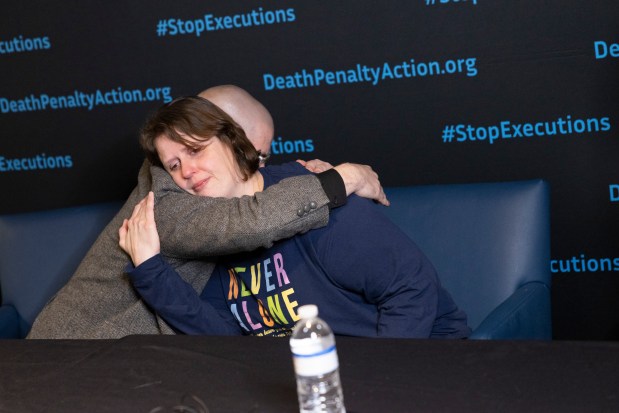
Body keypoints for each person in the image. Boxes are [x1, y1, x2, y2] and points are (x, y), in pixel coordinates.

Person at [26, 86, 386, 339]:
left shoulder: (201, 189)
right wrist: (346, 176)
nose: (256, 166)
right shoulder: (165, 200)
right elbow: (251, 221)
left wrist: (297, 173)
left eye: (263, 158)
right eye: (251, 152)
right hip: (73, 358)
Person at [120, 96, 471, 339]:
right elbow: (223, 338)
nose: (187, 172)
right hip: (323, 380)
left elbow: (412, 288)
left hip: (419, 359)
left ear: (231, 139)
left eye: (195, 150)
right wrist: (151, 270)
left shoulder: (317, 202)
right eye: (174, 166)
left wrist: (375, 386)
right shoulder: (215, 235)